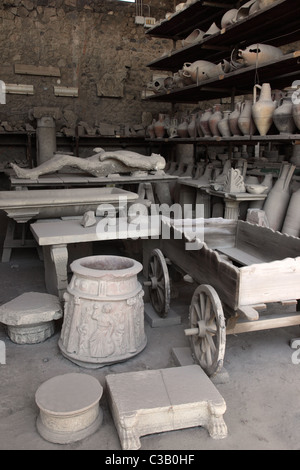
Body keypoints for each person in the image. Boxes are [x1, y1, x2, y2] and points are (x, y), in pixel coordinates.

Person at [10, 147, 166, 180]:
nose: (158, 153)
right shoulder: (145, 157)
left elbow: (128, 161)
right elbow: (123, 157)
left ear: (157, 161)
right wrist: (103, 151)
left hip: (101, 167)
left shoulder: (148, 162)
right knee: (59, 156)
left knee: (65, 159)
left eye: (159, 157)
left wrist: (109, 153)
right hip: (102, 161)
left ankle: (31, 173)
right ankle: (33, 171)